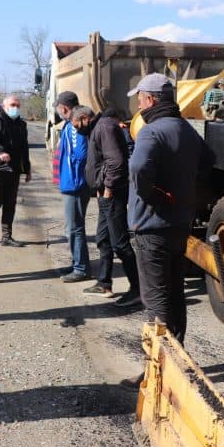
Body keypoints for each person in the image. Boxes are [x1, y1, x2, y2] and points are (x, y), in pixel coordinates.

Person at [127, 73, 213, 346]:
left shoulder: (150, 131)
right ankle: (178, 355)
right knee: (175, 292)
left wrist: (151, 193)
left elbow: (138, 168)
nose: (139, 105)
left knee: (155, 298)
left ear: (150, 100)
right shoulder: (186, 129)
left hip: (151, 226)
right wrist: (186, 194)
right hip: (179, 224)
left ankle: (159, 369)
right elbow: (209, 162)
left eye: (140, 99)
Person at [81, 107, 140, 305]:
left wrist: (108, 188)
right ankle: (104, 283)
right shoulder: (100, 127)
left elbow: (116, 162)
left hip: (112, 195)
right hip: (105, 194)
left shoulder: (104, 127)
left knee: (120, 243)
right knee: (103, 239)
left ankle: (138, 289)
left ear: (84, 118)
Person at [0, 95, 32, 246]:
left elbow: (24, 148)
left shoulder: (21, 124)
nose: (15, 108)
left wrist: (27, 169)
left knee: (10, 204)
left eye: (17, 105)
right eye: (12, 104)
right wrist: (0, 152)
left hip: (14, 169)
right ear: (4, 106)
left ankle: (7, 237)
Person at [55, 93, 91, 283]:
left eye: (58, 108)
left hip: (75, 184)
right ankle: (78, 262)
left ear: (64, 108)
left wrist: (74, 179)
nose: (58, 111)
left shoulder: (77, 127)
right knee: (72, 227)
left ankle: (81, 268)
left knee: (74, 228)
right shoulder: (70, 125)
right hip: (70, 183)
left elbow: (80, 155)